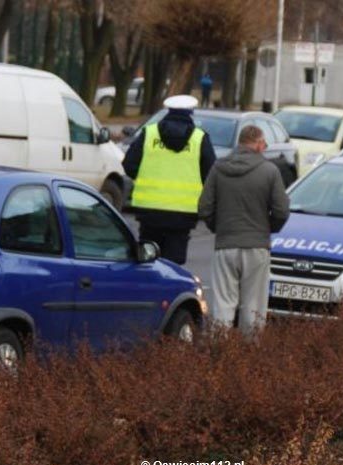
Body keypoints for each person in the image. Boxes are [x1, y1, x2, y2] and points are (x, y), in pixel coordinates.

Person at [198, 125, 290, 338]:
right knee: (253, 307)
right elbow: (281, 210)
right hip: (256, 247)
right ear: (258, 144)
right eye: (264, 144)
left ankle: (219, 354)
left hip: (225, 245)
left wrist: (220, 228)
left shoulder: (219, 168)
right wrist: (267, 228)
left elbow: (204, 208)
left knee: (223, 305)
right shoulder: (269, 171)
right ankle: (249, 359)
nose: (265, 148)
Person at [124, 95, 216, 265]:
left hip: (149, 212)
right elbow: (211, 174)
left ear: (168, 111)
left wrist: (146, 176)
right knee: (174, 265)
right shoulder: (199, 138)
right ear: (191, 113)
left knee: (147, 262)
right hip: (183, 214)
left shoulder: (149, 134)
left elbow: (129, 164)